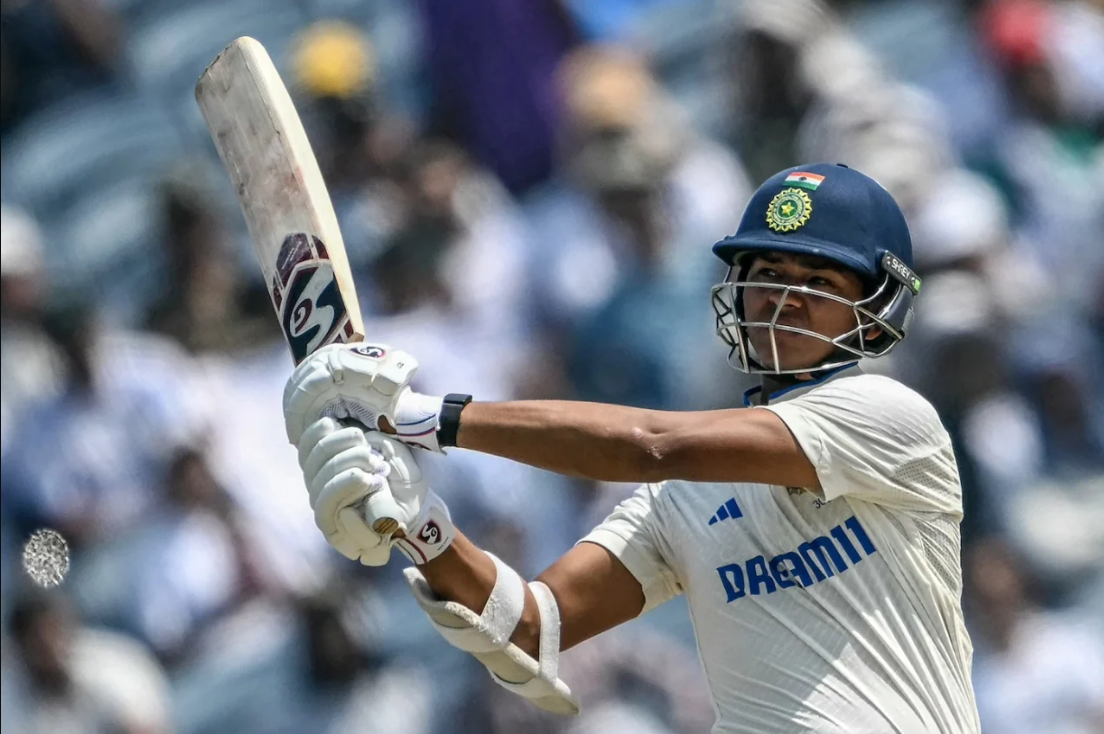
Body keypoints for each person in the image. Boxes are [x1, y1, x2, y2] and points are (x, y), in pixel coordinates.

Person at [281, 163, 981, 733]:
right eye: (768, 274)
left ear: (876, 306)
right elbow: (531, 626)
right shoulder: (685, 499)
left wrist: (423, 418)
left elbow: (652, 445)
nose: (785, 300)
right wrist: (420, 524)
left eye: (820, 283)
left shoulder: (892, 419)